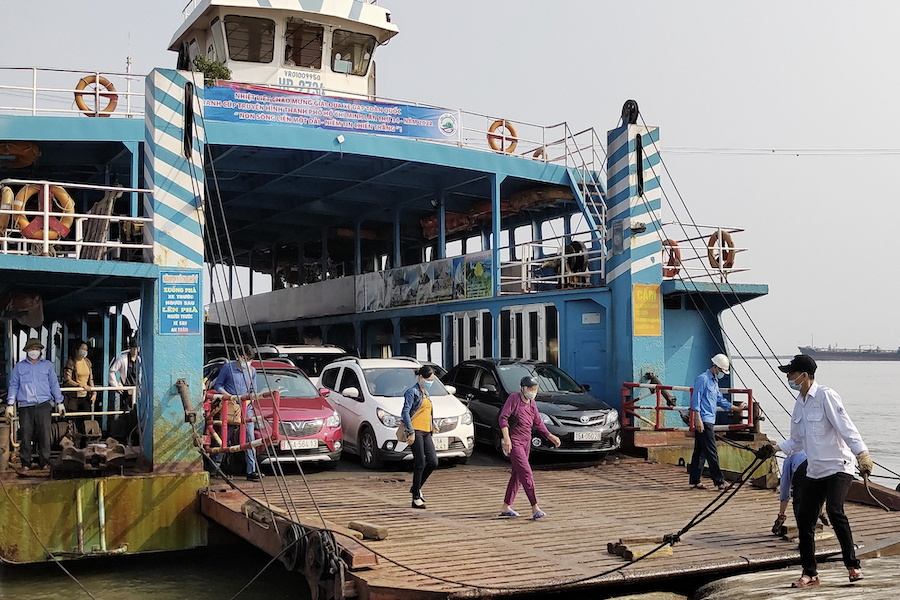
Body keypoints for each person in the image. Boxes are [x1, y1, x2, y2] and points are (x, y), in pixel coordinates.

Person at [756, 354, 871, 587]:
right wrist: (773, 449)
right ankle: (810, 573)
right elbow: (797, 442)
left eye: (791, 373)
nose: (788, 377)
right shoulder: (799, 403)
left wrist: (862, 454)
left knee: (834, 510)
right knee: (804, 518)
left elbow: (847, 428)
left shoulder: (826, 396)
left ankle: (852, 566)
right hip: (816, 470)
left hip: (839, 466)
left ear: (804, 375)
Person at [498, 375, 561, 519]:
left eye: (535, 389)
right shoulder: (514, 399)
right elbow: (503, 418)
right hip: (515, 442)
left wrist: (550, 436)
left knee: (517, 475)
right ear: (522, 388)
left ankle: (506, 506)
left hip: (527, 441)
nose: (533, 391)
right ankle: (535, 507)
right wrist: (506, 438)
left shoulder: (532, 403)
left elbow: (538, 422)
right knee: (526, 473)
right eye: (530, 389)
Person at [688, 354, 746, 490]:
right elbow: (696, 399)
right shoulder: (703, 379)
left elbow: (720, 400)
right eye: (721, 371)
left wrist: (736, 408)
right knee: (711, 451)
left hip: (709, 420)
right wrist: (698, 418)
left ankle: (695, 480)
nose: (721, 374)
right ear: (715, 367)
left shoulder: (714, 382)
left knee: (700, 451)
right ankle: (719, 481)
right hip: (704, 420)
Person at [6, 338, 64, 470]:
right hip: (25, 406)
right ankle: (25, 463)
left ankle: (44, 462)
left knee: (44, 434)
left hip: (43, 405)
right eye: (32, 349)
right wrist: (10, 404)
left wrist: (59, 402)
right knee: (25, 434)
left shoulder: (48, 365)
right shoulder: (19, 367)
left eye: (37, 349)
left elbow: (54, 384)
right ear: (26, 351)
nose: (34, 351)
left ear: (40, 351)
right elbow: (14, 385)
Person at [212, 345, 260, 482]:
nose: (247, 362)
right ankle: (216, 467)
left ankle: (252, 470)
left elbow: (253, 390)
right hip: (230, 407)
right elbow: (218, 385)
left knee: (250, 438)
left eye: (249, 359)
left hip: (246, 408)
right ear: (238, 356)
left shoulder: (252, 371)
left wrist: (248, 400)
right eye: (244, 358)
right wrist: (228, 397)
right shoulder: (228, 368)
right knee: (224, 437)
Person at [401, 365, 439, 509]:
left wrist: (432, 424)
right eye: (429, 379)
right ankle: (416, 497)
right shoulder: (412, 392)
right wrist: (410, 432)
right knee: (420, 462)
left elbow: (427, 411)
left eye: (432, 379)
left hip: (426, 430)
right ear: (421, 378)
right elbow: (405, 412)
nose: (431, 382)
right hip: (416, 430)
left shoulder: (426, 393)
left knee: (433, 461)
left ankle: (416, 487)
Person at [62, 339, 95, 416]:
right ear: (76, 350)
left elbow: (91, 379)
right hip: (73, 397)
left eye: (86, 350)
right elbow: (67, 380)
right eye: (82, 349)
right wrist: (80, 385)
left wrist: (94, 392)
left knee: (86, 418)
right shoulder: (71, 362)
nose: (84, 351)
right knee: (72, 418)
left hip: (85, 396)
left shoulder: (87, 362)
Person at [108, 338, 141, 411]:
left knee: (137, 411)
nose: (135, 350)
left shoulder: (139, 360)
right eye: (133, 348)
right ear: (130, 348)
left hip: (137, 390)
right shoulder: (122, 359)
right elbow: (112, 371)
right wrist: (116, 386)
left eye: (136, 348)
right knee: (126, 412)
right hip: (126, 390)